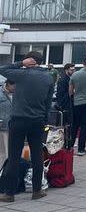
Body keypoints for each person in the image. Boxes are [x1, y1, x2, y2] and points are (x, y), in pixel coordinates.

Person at [0, 51, 54, 202]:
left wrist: (20, 64)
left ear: (29, 60)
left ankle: (9, 193)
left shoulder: (21, 75)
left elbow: (2, 69)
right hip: (37, 121)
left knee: (14, 156)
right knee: (37, 155)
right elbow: (48, 104)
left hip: (18, 120)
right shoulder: (48, 77)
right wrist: (44, 119)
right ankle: (37, 190)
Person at [54, 63, 75, 147]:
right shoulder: (63, 80)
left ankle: (66, 142)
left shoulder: (69, 78)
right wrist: (71, 93)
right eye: (71, 70)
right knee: (63, 125)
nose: (73, 71)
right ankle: (63, 143)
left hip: (68, 104)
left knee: (68, 125)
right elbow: (60, 94)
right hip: (65, 105)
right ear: (66, 70)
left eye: (74, 69)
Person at [0, 80, 14, 163]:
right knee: (3, 152)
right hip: (3, 127)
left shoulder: (17, 93)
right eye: (14, 86)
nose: (15, 88)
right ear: (8, 84)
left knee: (12, 151)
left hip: (14, 127)